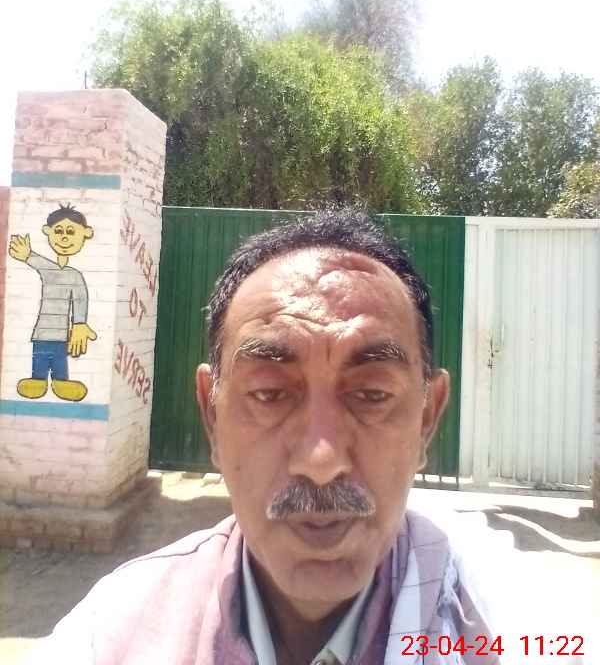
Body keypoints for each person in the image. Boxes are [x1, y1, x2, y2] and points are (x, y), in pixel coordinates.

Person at [32, 207, 511, 664]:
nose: (320, 460)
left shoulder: (509, 630)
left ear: (427, 419)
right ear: (211, 416)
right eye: (268, 393)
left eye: (371, 394)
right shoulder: (107, 636)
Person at [9, 203, 97, 401]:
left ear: (87, 233)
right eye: (58, 231)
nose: (64, 237)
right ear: (47, 231)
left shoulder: (74, 275)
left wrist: (80, 324)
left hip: (61, 334)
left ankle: (61, 382)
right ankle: (38, 380)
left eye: (70, 232)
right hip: (42, 331)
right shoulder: (50, 270)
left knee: (59, 359)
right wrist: (28, 255)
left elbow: (80, 299)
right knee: (40, 356)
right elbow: (45, 266)